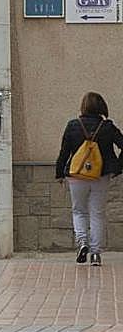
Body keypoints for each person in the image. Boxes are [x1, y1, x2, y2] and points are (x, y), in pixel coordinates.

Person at [55, 91, 123, 266]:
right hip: (101, 175)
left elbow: (64, 151)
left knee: (79, 210)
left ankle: (82, 242)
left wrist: (60, 173)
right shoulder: (107, 127)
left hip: (77, 175)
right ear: (101, 107)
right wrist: (116, 167)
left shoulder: (73, 125)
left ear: (83, 106)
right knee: (97, 213)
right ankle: (95, 254)